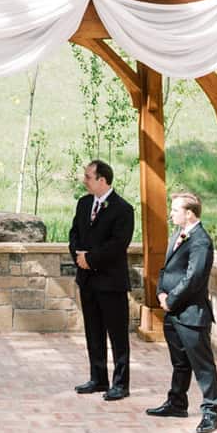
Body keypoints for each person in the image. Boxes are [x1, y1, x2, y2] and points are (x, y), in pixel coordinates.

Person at [147, 191, 217, 433]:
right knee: (180, 363)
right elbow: (168, 268)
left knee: (203, 365)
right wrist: (160, 293)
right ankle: (177, 402)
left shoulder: (200, 241)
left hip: (191, 314)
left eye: (175, 209)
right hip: (173, 312)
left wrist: (171, 300)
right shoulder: (177, 234)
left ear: (189, 214)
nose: (171, 213)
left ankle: (210, 411)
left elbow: (194, 278)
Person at [67, 159, 134, 401]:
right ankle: (98, 378)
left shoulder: (123, 210)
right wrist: (78, 256)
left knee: (117, 335)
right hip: (87, 281)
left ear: (102, 180)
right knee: (93, 332)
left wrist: (91, 259)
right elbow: (74, 233)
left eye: (88, 177)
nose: (84, 180)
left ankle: (120, 384)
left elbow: (117, 244)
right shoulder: (84, 204)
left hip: (111, 282)